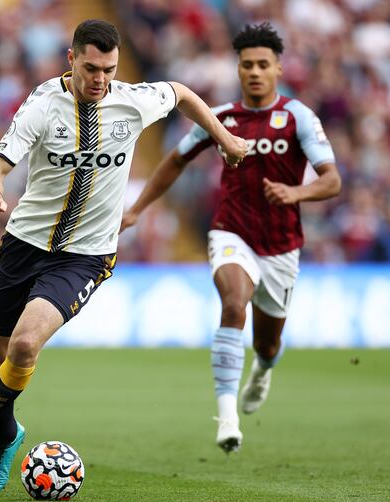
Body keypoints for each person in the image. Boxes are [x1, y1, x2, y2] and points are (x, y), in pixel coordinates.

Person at [0, 19, 247, 492]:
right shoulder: (42, 106)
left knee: (24, 345)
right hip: (23, 244)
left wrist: (223, 138)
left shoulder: (133, 101)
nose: (100, 79)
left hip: (84, 256)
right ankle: (7, 432)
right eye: (91, 68)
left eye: (109, 69)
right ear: (71, 59)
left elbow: (182, 92)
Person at [121, 22, 342, 454]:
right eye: (247, 65)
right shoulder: (219, 118)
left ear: (278, 68)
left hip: (281, 244)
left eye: (263, 64)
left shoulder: (297, 117)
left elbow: (332, 181)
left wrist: (296, 192)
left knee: (268, 342)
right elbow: (174, 161)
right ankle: (226, 417)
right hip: (231, 231)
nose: (255, 72)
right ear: (237, 69)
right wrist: (136, 209)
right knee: (233, 302)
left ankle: (263, 368)